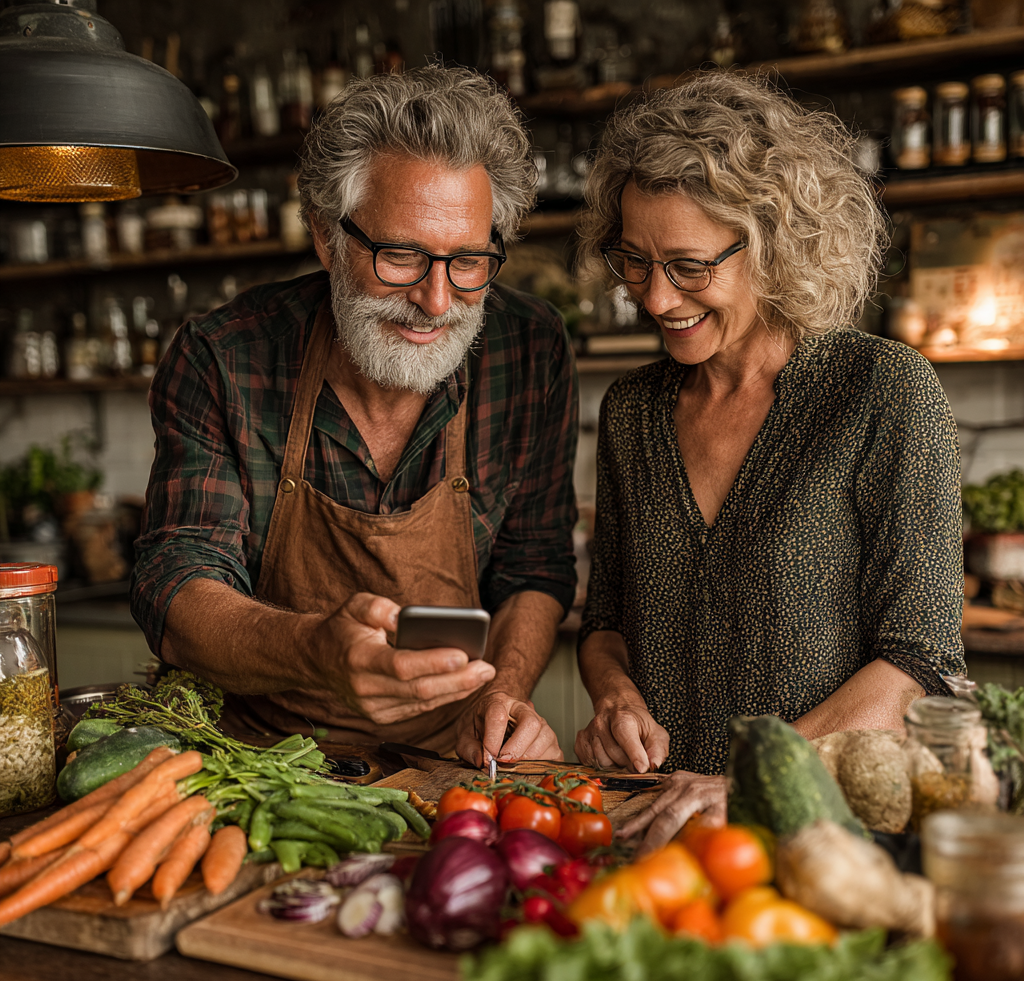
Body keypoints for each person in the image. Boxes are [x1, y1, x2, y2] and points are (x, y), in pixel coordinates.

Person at [131, 67, 578, 766]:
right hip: (254, 767)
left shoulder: (528, 350)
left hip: (454, 758)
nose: (436, 301)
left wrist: (506, 694)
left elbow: (534, 568)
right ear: (325, 236)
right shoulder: (224, 356)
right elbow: (177, 584)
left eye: (468, 261)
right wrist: (316, 652)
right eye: (400, 256)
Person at [572, 71, 965, 851]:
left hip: (833, 836)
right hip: (665, 830)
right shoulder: (632, 413)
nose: (654, 300)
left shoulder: (880, 391)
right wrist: (614, 696)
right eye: (634, 262)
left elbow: (920, 658)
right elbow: (606, 621)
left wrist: (752, 778)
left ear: (776, 242)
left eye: (688, 265)